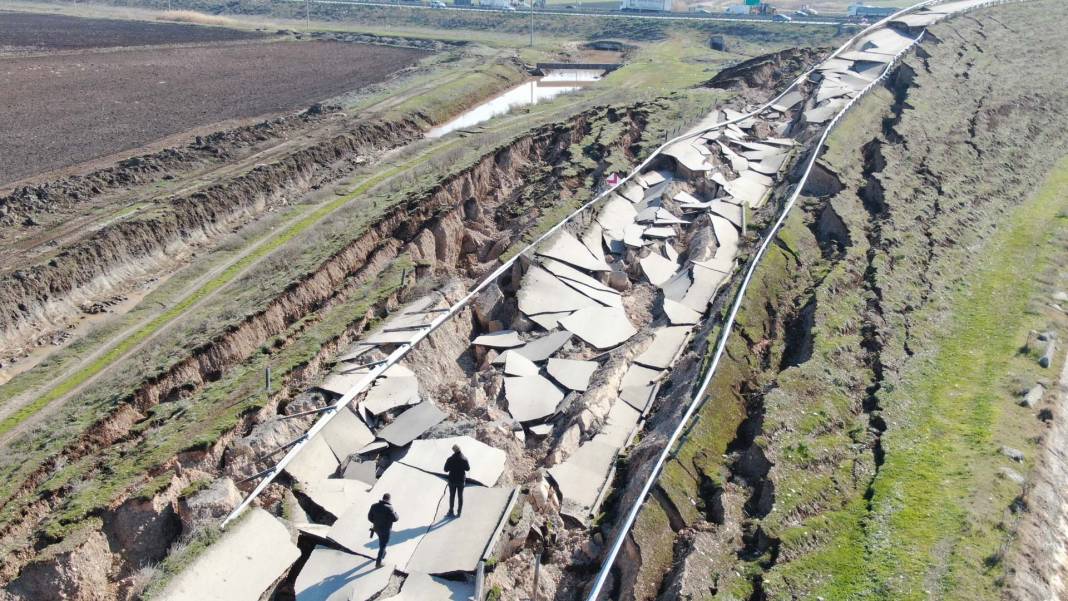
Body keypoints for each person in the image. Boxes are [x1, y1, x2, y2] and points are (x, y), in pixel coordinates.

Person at [367, 493, 399, 568]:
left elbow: (369, 517)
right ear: (388, 499)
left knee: (382, 542)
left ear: (383, 498)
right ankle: (378, 563)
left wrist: (376, 522)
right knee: (383, 546)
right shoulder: (389, 508)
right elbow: (395, 519)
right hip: (385, 530)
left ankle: (382, 553)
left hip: (376, 529)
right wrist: (395, 513)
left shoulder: (374, 506)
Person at [444, 444, 471, 517]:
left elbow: (445, 470)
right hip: (461, 480)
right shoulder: (464, 459)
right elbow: (468, 469)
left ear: (453, 451)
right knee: (460, 496)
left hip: (452, 480)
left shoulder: (450, 459)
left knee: (452, 496)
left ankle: (451, 511)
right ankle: (459, 513)